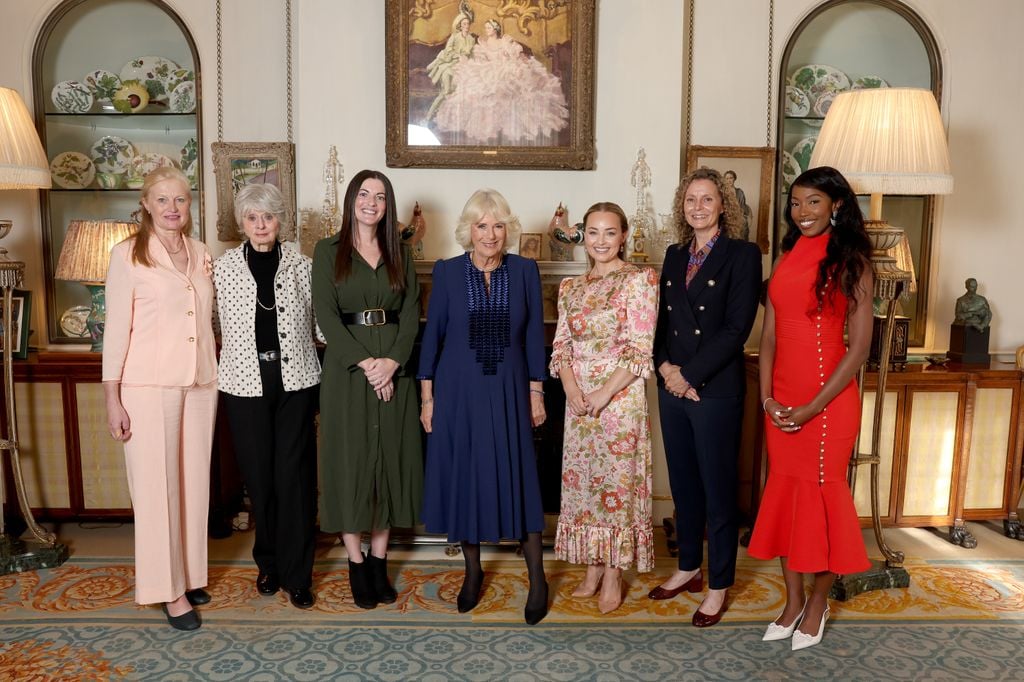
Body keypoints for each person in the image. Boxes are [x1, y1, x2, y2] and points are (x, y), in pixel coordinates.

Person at [748, 166, 873, 651]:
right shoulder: (785, 257)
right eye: (796, 203)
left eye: (813, 202)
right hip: (781, 403)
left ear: (836, 205)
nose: (802, 213)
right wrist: (767, 400)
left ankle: (817, 604)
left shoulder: (854, 263)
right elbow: (772, 338)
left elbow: (859, 349)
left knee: (820, 506)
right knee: (786, 500)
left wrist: (810, 408)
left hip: (827, 405)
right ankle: (792, 598)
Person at [418, 189, 550, 625]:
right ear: (468, 231)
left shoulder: (526, 270)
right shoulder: (448, 272)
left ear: (507, 230)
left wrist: (536, 392)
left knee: (521, 477)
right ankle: (472, 573)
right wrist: (427, 397)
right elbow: (432, 336)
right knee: (466, 478)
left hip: (510, 389)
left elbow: (534, 337)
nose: (490, 234)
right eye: (481, 225)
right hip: (457, 392)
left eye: (497, 225)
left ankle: (538, 578)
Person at [103, 166, 217, 631]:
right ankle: (166, 590)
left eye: (182, 200)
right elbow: (115, 331)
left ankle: (187, 574)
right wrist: (113, 397)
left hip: (200, 382)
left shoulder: (201, 251)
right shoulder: (127, 255)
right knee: (156, 489)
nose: (174, 208)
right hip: (147, 386)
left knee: (192, 484)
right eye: (164, 200)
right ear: (146, 204)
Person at [650, 167, 762, 627]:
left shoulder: (743, 254)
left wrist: (689, 375)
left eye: (707, 199)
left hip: (713, 390)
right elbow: (658, 322)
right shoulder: (675, 255)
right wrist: (664, 368)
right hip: (673, 386)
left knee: (717, 493)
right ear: (683, 206)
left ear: (723, 206)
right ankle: (688, 568)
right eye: (690, 200)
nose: (698, 207)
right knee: (684, 485)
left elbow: (737, 329)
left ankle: (718, 587)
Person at [312, 169, 422, 610]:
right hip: (348, 373)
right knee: (351, 463)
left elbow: (412, 312)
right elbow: (325, 315)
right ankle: (356, 564)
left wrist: (392, 362)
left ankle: (379, 560)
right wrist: (366, 363)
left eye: (379, 196)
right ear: (351, 200)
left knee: (388, 464)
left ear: (387, 205)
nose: (371, 202)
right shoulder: (327, 251)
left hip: (395, 368)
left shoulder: (402, 252)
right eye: (363, 194)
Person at [214, 183, 321, 610]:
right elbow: (209, 326)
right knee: (260, 480)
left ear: (281, 220)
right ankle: (268, 563)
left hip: (296, 382)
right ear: (242, 223)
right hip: (243, 385)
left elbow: (320, 325)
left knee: (293, 479)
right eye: (252, 218)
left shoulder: (302, 265)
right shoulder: (221, 268)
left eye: (269, 217)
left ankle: (298, 575)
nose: (261, 226)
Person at [550, 202, 659, 614]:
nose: (600, 241)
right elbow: (561, 345)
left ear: (624, 235)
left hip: (620, 397)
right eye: (592, 232)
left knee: (616, 487)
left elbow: (640, 347)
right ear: (583, 236)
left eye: (609, 232)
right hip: (577, 400)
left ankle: (614, 572)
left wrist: (602, 395)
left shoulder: (640, 279)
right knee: (584, 486)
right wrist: (573, 390)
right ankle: (593, 567)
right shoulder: (570, 288)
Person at [434, 19, 568, 145]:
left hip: (504, 67)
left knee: (509, 84)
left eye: (489, 28)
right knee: (477, 86)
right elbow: (481, 60)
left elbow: (517, 55)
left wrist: (511, 57)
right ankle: (484, 124)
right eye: (485, 28)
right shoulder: (482, 43)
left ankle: (509, 124)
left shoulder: (505, 41)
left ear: (495, 29)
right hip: (488, 69)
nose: (486, 30)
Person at [424, 9, 477, 122]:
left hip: (465, 67)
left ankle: (452, 119)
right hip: (450, 66)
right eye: (464, 24)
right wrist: (458, 56)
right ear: (460, 25)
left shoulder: (471, 39)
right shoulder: (455, 37)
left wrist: (472, 61)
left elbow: (472, 54)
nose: (466, 26)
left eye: (468, 24)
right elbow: (447, 51)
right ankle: (428, 117)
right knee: (446, 92)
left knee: (464, 91)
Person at [723, 170, 753, 242]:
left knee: (744, 224)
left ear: (734, 179)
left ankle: (742, 247)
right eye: (727, 178)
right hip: (726, 216)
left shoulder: (739, 192)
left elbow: (743, 207)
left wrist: (739, 216)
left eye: (731, 178)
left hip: (739, 215)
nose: (729, 180)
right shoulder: (723, 192)